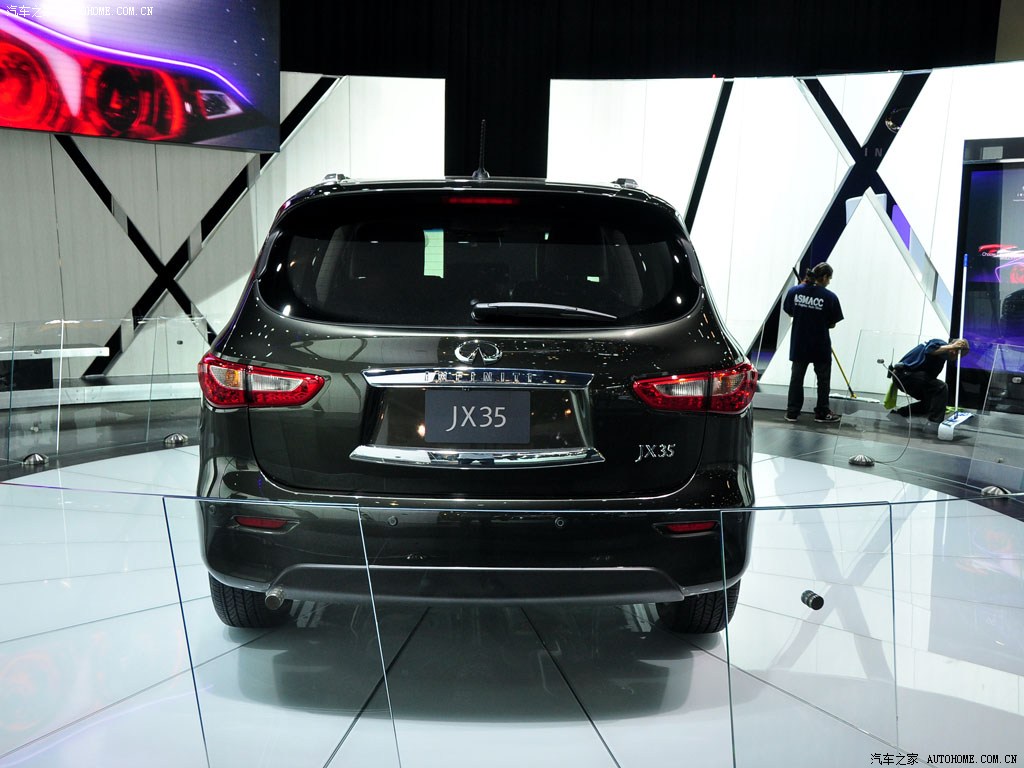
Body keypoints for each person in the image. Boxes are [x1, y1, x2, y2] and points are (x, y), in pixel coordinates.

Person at [783, 262, 844, 423]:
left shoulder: (794, 291)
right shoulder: (830, 297)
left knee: (796, 379)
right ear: (824, 277)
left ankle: (792, 412)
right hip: (820, 345)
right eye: (829, 279)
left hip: (799, 343)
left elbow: (790, 312)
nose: (829, 282)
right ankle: (822, 412)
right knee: (823, 381)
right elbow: (832, 323)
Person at [889, 337, 970, 423]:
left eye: (959, 355)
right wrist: (953, 346)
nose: (955, 354)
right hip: (904, 374)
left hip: (909, 377)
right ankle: (934, 424)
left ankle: (898, 414)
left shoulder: (940, 361)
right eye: (955, 350)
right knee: (941, 387)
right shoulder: (940, 343)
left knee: (933, 402)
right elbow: (929, 349)